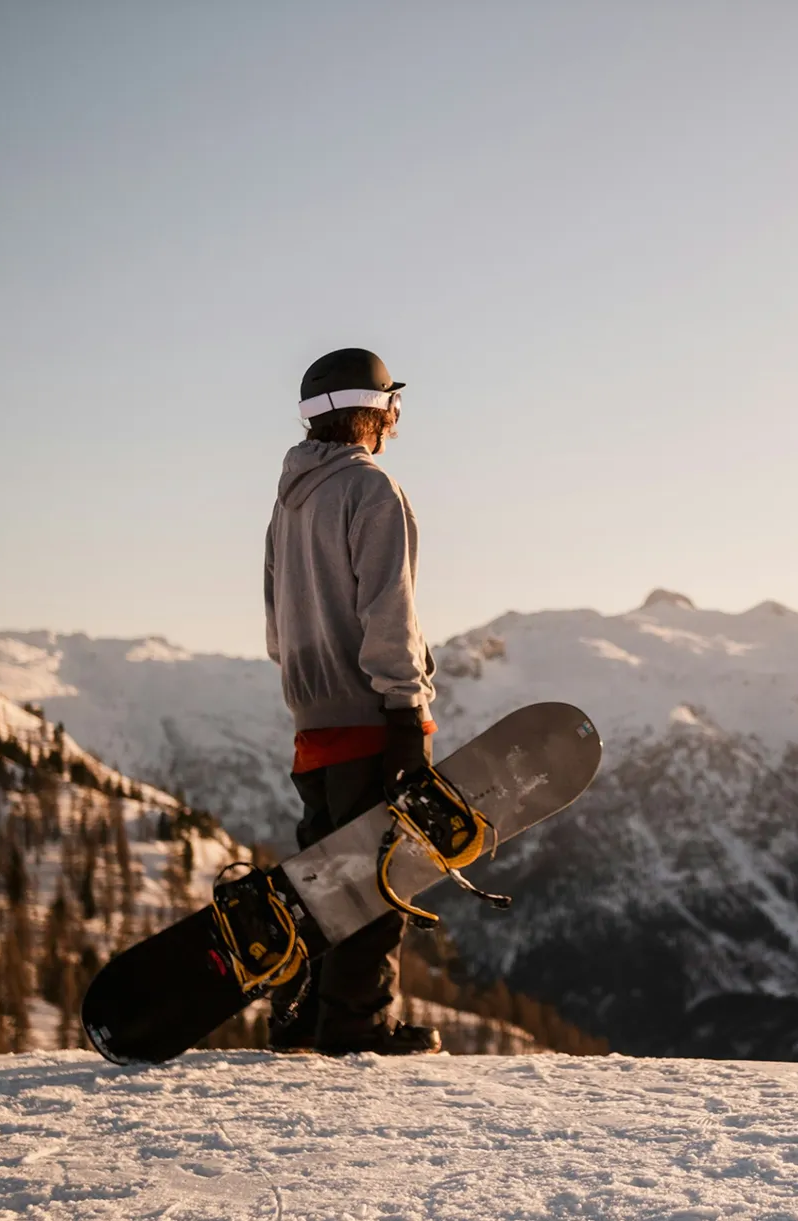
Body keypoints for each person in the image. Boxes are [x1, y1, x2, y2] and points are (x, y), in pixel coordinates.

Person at [263, 347, 442, 1055]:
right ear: (376, 410)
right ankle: (355, 1021)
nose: (398, 416)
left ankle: (301, 1016)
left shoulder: (289, 501)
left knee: (324, 877)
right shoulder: (370, 490)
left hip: (312, 722)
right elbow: (387, 609)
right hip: (371, 715)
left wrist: (312, 695)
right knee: (380, 874)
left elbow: (277, 628)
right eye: (394, 402)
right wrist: (405, 710)